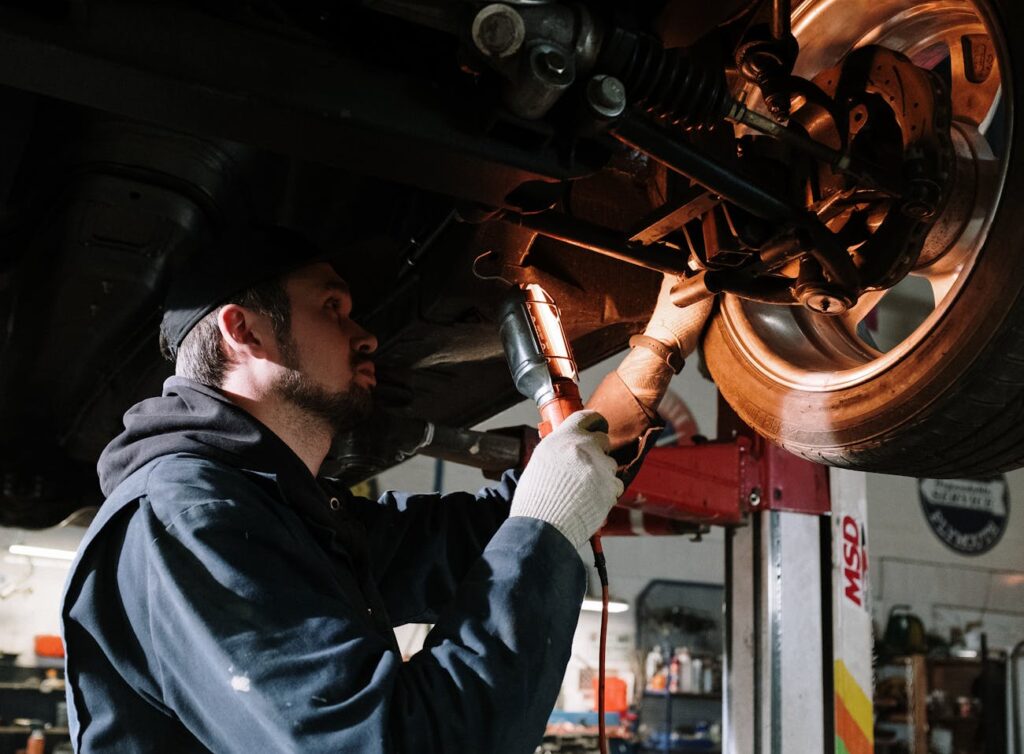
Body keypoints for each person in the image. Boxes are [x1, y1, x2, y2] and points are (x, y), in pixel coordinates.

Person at [61, 226, 712, 753]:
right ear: (245, 331)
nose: (365, 333)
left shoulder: (285, 513)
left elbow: (486, 533)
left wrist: (656, 351)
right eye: (332, 307)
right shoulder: (184, 518)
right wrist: (547, 527)